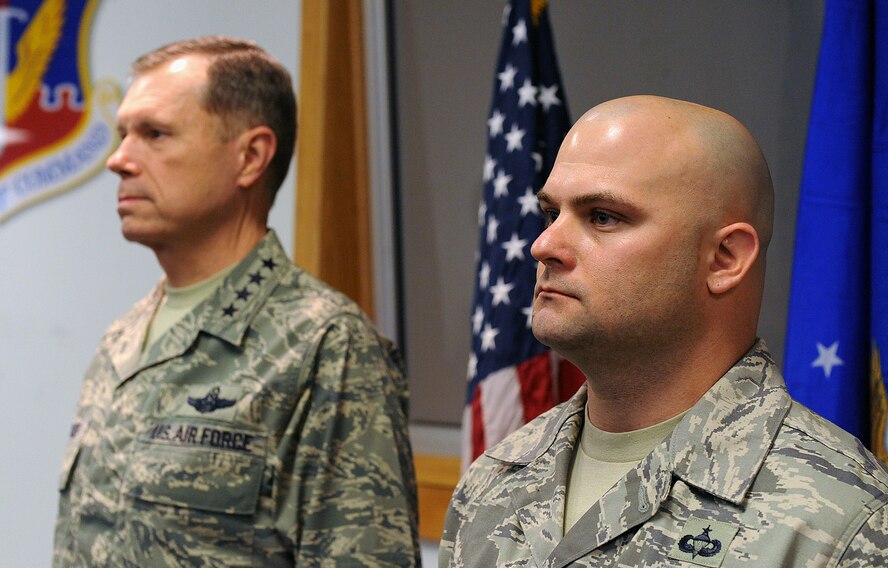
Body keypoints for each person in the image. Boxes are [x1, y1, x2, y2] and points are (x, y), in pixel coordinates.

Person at [440, 95, 888, 567]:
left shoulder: (842, 521)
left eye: (602, 217)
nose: (544, 245)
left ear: (725, 259)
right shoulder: (494, 482)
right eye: (552, 214)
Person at [53, 37, 419, 567]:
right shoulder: (123, 338)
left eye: (154, 134)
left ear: (250, 157)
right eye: (122, 135)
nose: (118, 161)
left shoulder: (323, 347)